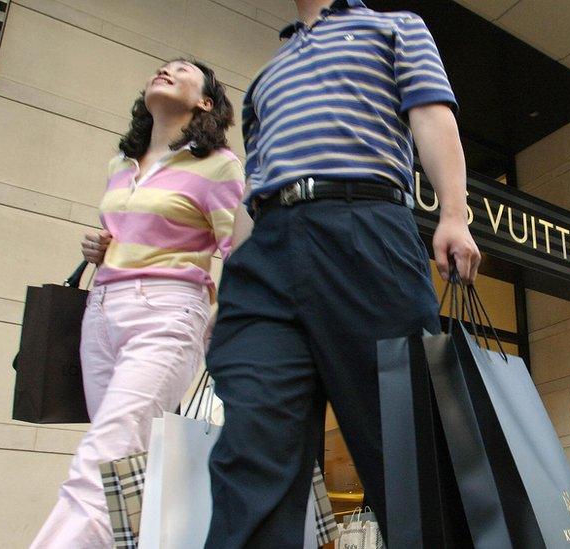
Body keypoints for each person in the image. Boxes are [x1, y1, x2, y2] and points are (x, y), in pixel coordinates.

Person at [203, 0, 480, 546]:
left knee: (406, 446)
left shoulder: (396, 26)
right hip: (267, 253)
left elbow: (431, 113)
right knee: (251, 448)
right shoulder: (264, 78)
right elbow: (253, 186)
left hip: (366, 230)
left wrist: (454, 212)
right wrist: (230, 288)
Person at [30, 59, 245, 548]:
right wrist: (99, 247)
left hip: (165, 313)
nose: (165, 71)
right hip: (102, 312)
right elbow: (133, 231)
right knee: (125, 478)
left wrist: (217, 320)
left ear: (205, 102)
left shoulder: (218, 165)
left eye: (181, 70)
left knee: (103, 464)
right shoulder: (120, 165)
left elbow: (240, 249)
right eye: (161, 67)